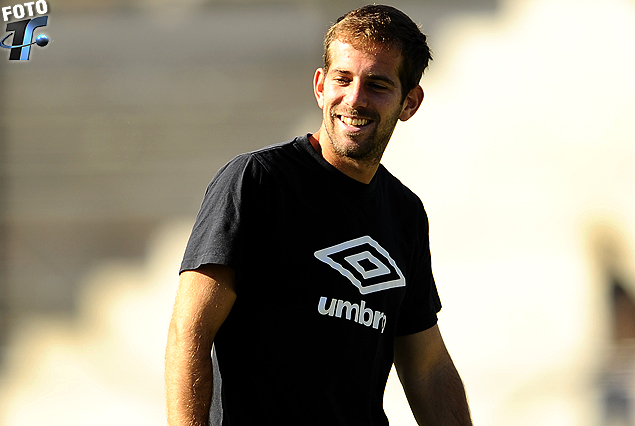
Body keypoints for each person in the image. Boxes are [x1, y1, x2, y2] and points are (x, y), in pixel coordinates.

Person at [165, 4, 472, 425]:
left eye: (377, 85)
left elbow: (429, 368)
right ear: (320, 86)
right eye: (342, 79)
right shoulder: (257, 181)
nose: (355, 98)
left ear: (410, 102)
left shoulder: (405, 213)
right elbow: (189, 333)